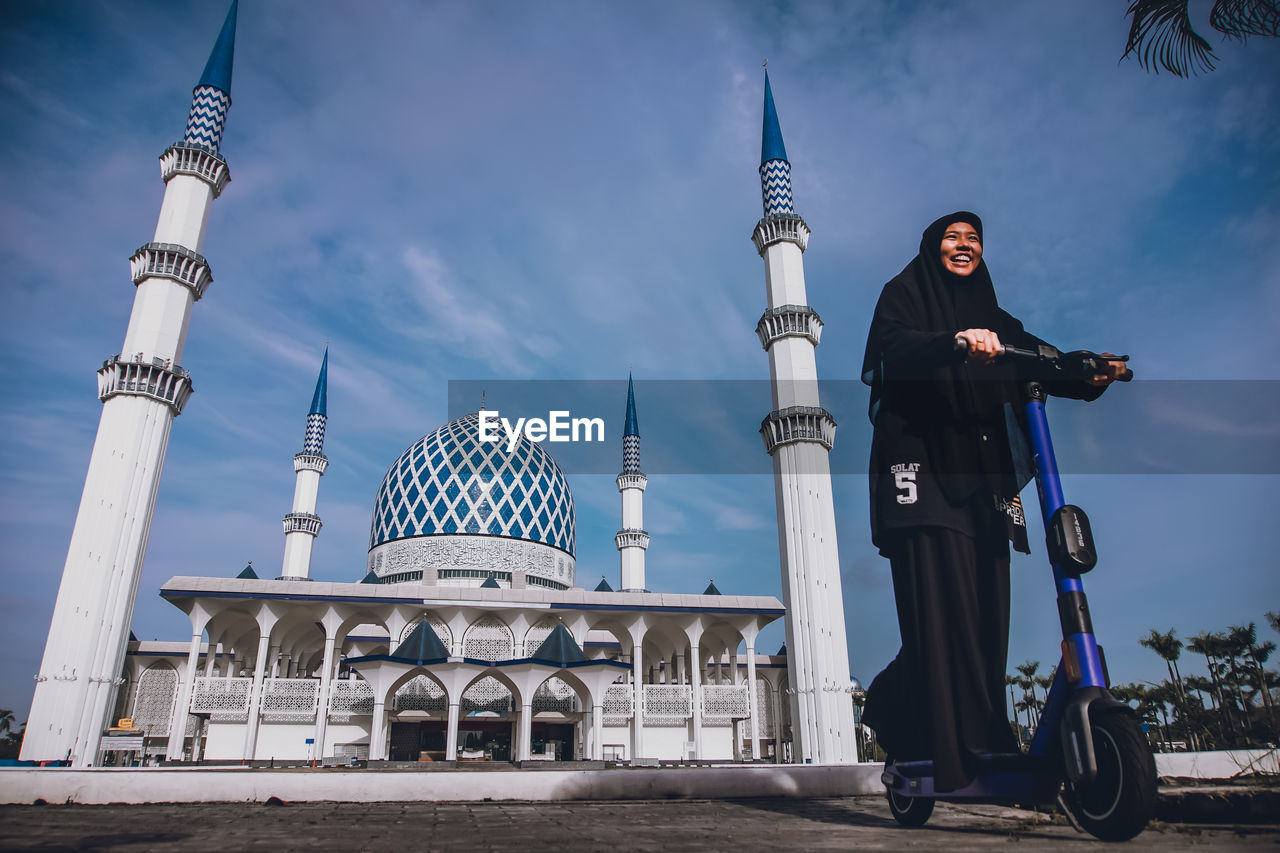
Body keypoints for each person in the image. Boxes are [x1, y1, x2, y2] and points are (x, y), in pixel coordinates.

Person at [858, 211, 1125, 792]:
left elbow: (1036, 355)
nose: (964, 246)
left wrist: (1087, 371)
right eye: (952, 238)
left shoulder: (994, 318)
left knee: (984, 615)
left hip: (981, 483)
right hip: (923, 474)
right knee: (941, 609)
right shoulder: (904, 296)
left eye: (973, 239)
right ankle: (934, 739)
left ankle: (983, 739)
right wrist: (952, 344)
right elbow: (892, 348)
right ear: (933, 248)